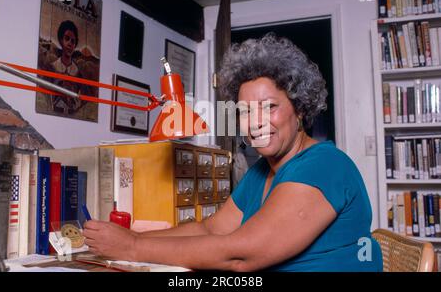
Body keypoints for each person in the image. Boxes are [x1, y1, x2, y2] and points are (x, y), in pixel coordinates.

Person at [83, 33, 383, 272]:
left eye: (270, 107)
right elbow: (211, 229)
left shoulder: (324, 166)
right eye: (244, 111)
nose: (255, 123)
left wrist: (132, 248)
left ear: (300, 109)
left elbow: (241, 256)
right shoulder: (261, 171)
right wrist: (128, 239)